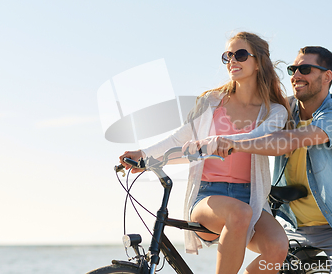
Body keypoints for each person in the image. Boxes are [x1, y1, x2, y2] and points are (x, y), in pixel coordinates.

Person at [120, 32, 291, 274]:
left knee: (277, 247)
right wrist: (144, 153)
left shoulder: (273, 111)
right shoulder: (211, 102)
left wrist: (223, 140)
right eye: (227, 55)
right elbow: (181, 137)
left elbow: (260, 138)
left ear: (259, 62)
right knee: (239, 213)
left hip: (251, 196)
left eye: (240, 54)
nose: (232, 60)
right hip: (209, 196)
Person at [201, 46, 332, 274]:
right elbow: (249, 98)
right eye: (293, 69)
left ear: (327, 76)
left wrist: (234, 143)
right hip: (289, 226)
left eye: (305, 69)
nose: (296, 75)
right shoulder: (283, 109)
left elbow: (292, 139)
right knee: (266, 263)